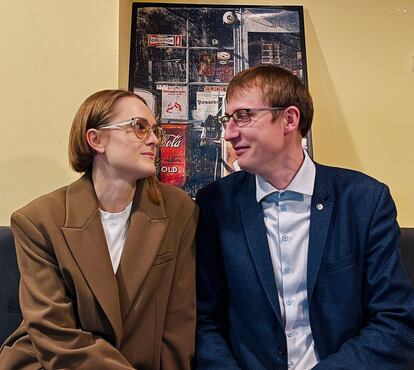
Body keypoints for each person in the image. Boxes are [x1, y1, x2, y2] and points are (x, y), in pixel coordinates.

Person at [195, 65, 414, 370]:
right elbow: (203, 322)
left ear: (289, 119)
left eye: (243, 116)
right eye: (228, 119)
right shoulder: (215, 205)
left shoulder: (364, 201)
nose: (229, 133)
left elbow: (396, 321)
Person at [0, 89, 198, 369]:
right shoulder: (38, 220)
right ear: (96, 140)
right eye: (139, 128)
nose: (154, 140)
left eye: (154, 130)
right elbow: (53, 331)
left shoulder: (178, 209)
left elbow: (179, 322)